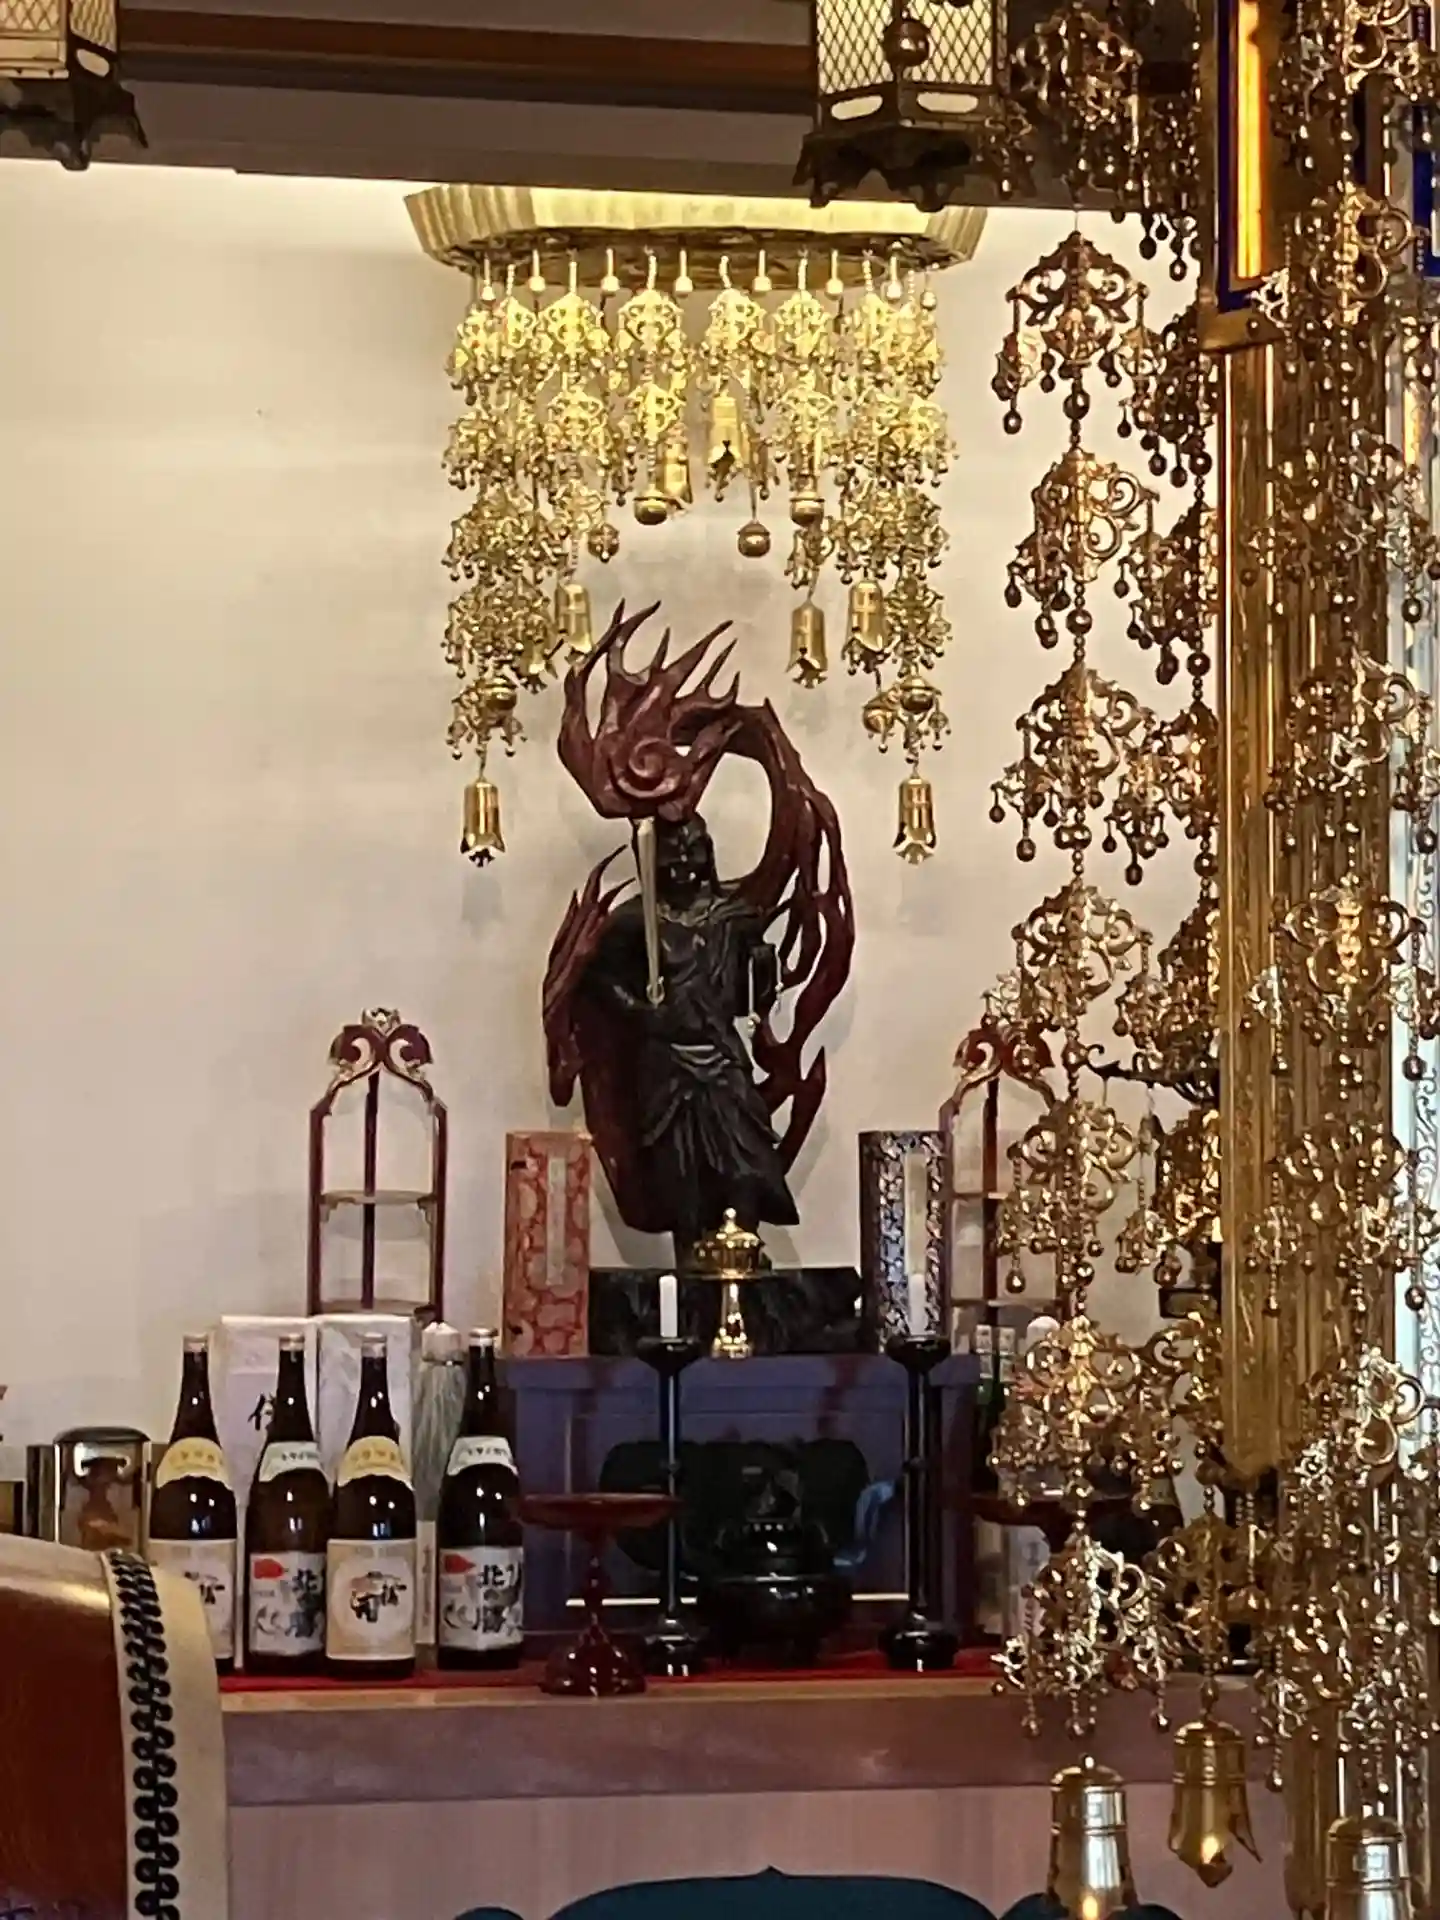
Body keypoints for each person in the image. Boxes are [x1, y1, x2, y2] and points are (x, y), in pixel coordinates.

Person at [581, 812, 798, 1260]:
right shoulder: (635, 922)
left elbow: (750, 993)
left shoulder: (733, 917)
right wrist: (641, 1011)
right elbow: (599, 981)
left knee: (743, 1160)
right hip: (666, 1063)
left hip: (720, 1054)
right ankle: (690, 1266)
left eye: (692, 850)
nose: (682, 862)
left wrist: (762, 974)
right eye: (670, 853)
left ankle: (743, 1258)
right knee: (680, 1173)